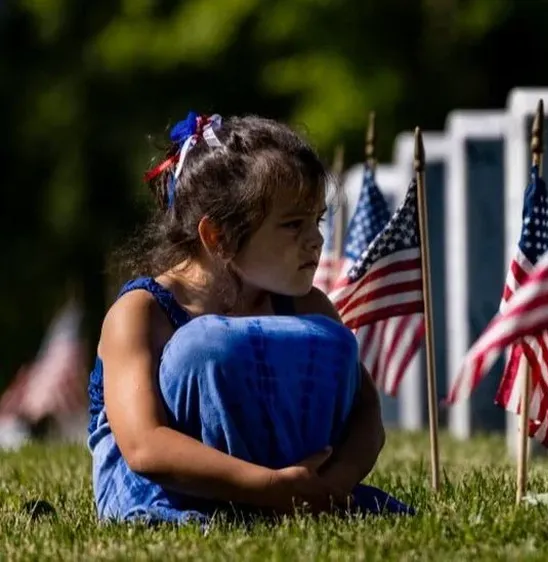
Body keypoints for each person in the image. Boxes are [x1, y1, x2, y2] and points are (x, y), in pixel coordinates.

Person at [87, 112, 413, 524]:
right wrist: (273, 488)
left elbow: (367, 414)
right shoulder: (141, 312)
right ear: (218, 237)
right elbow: (144, 446)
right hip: (161, 495)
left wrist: (326, 487)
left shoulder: (307, 307)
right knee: (206, 346)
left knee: (330, 342)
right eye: (293, 224)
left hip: (299, 489)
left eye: (316, 221)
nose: (316, 240)